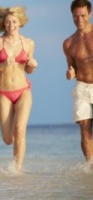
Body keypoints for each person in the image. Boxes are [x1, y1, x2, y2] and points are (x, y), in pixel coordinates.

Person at [0, 4, 38, 172]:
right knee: (8, 138)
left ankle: (17, 169)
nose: (11, 25)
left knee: (20, 130)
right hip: (3, 93)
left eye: (14, 22)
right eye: (7, 23)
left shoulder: (29, 43)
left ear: (20, 22)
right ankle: (14, 153)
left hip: (23, 91)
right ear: (4, 24)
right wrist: (3, 64)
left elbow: (28, 69)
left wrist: (33, 66)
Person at [63, 0, 93, 164]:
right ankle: (90, 166)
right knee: (84, 128)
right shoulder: (68, 43)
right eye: (76, 16)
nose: (79, 19)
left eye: (83, 15)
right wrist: (70, 73)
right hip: (81, 86)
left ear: (90, 14)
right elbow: (70, 70)